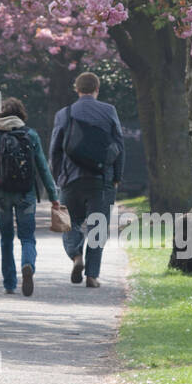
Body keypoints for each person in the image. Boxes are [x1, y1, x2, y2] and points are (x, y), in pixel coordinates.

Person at [49, 72, 124, 288]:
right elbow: (119, 146)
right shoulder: (109, 111)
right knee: (98, 226)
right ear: (97, 89)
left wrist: (57, 178)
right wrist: (117, 176)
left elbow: (55, 149)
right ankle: (92, 275)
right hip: (102, 179)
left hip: (70, 179)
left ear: (77, 89)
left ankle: (75, 255)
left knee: (65, 222)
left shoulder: (64, 114)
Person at [0, 97, 59, 296]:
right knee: (27, 237)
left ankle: (9, 283)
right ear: (21, 114)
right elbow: (42, 167)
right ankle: (28, 264)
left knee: (6, 239)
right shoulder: (31, 135)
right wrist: (53, 195)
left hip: (2, 196)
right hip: (26, 194)